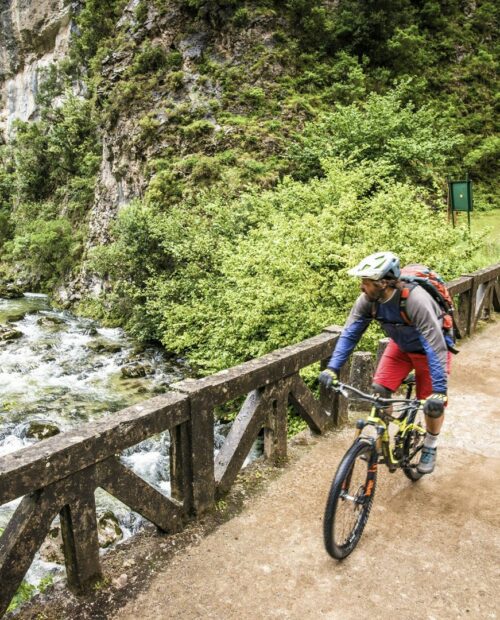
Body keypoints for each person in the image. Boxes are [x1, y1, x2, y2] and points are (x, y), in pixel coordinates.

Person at [318, 251, 451, 474]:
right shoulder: (368, 301)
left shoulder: (415, 301)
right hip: (400, 346)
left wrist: (439, 390)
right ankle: (381, 439)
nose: (362, 287)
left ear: (383, 283)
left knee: (432, 405)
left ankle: (430, 445)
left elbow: (433, 344)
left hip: (430, 350)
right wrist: (332, 368)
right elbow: (350, 334)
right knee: (380, 389)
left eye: (366, 282)